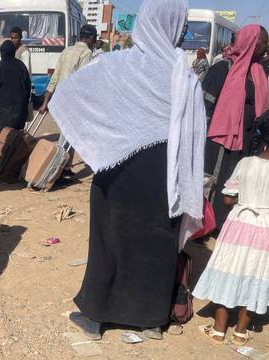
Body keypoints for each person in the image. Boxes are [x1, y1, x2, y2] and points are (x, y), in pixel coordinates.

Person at [48, 0, 206, 340]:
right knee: (157, 243)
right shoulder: (184, 74)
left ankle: (94, 317)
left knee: (109, 240)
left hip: (116, 170)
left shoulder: (115, 64)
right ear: (175, 26)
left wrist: (99, 140)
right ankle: (150, 320)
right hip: (164, 174)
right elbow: (194, 138)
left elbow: (66, 96)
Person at [193, 107, 269, 345]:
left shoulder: (246, 162)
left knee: (229, 267)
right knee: (257, 272)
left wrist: (247, 197)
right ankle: (241, 332)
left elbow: (228, 198)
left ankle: (219, 328)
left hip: (240, 223)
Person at [203, 24, 269, 232]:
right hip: (220, 141)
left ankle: (224, 225)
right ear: (250, 42)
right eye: (263, 42)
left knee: (235, 183)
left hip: (247, 142)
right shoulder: (223, 69)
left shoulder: (258, 73)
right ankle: (204, 225)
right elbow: (204, 106)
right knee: (215, 181)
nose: (266, 47)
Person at [38, 24, 97, 113]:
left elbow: (55, 77)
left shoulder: (66, 50)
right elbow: (82, 80)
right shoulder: (87, 52)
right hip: (73, 100)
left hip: (60, 97)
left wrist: (44, 103)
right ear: (92, 38)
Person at [0, 40, 31, 135]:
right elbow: (27, 88)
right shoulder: (21, 66)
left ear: (1, 53)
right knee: (17, 142)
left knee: (3, 141)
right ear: (13, 52)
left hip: (3, 113)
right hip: (20, 113)